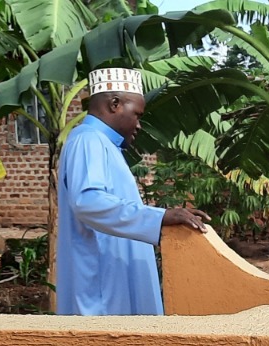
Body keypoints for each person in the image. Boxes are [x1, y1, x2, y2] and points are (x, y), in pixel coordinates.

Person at [55, 67, 210, 316]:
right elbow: (88, 202)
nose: (138, 125)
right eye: (136, 114)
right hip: (103, 296)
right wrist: (159, 217)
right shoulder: (88, 140)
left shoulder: (103, 144)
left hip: (113, 285)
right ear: (115, 104)